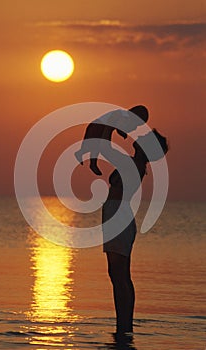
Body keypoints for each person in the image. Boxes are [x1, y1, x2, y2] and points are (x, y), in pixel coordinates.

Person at [100, 128, 169, 341]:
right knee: (117, 276)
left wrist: (111, 128)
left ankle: (124, 325)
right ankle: (123, 325)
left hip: (118, 219)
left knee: (120, 277)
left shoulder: (133, 165)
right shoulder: (133, 163)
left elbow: (105, 148)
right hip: (116, 219)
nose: (138, 139)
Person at [74, 105, 149, 176]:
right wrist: (121, 132)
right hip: (98, 126)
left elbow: (117, 127)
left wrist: (121, 132)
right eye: (137, 123)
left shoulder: (123, 116)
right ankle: (91, 162)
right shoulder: (121, 115)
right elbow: (117, 126)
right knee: (95, 146)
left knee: (94, 146)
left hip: (101, 127)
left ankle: (85, 157)